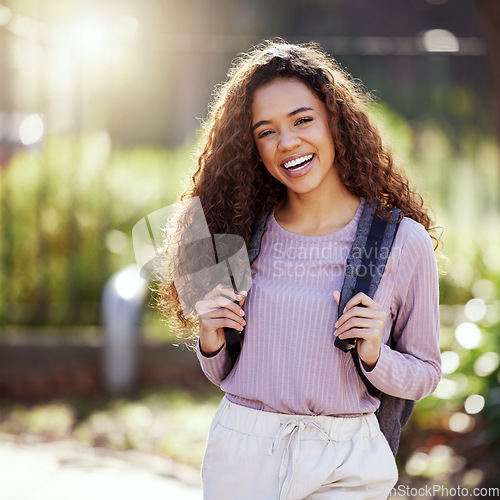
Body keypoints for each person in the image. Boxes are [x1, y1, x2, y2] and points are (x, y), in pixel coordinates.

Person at [158, 40, 441, 500]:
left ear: (335, 121)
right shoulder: (237, 232)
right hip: (242, 451)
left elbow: (426, 371)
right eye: (266, 131)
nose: (287, 143)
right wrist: (211, 338)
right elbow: (226, 372)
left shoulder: (399, 241)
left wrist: (375, 354)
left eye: (302, 120)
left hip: (346, 459)